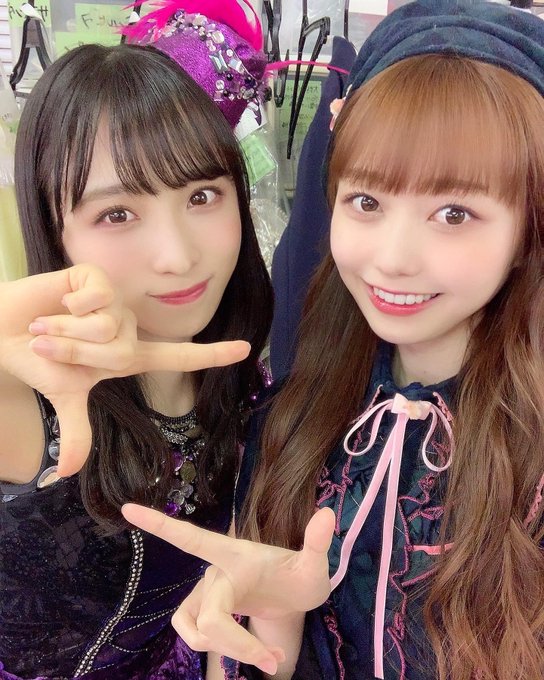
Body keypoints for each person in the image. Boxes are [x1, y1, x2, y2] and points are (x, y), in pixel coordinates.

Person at [123, 1, 544, 679]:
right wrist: (272, 627)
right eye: (367, 202)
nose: (393, 259)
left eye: (454, 213)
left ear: (528, 230)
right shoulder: (289, 420)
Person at [0, 42, 272, 680]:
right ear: (56, 230)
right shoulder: (27, 395)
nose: (177, 256)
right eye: (117, 213)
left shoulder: (243, 378)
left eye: (201, 196)